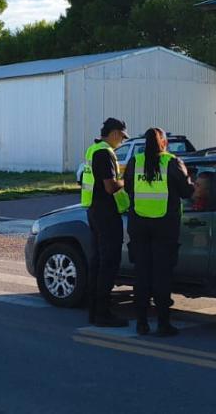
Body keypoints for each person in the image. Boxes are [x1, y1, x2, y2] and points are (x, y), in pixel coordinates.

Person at [124, 127, 195, 336]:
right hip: (165, 225)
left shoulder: (135, 162)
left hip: (138, 223)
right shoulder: (171, 162)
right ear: (164, 143)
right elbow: (186, 191)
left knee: (142, 274)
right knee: (162, 275)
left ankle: (141, 323)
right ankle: (163, 323)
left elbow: (128, 187)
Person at [81, 117, 131, 327]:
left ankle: (95, 311)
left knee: (97, 262)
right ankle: (102, 313)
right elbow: (110, 187)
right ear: (114, 133)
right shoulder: (104, 152)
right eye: (121, 136)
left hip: (94, 210)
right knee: (108, 264)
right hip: (105, 213)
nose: (121, 141)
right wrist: (126, 180)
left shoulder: (93, 150)